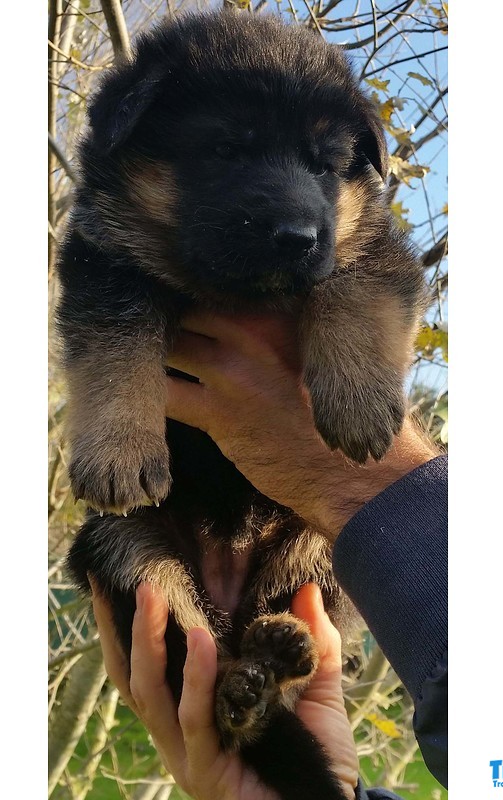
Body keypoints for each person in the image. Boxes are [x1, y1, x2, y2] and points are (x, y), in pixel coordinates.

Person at [90, 311, 448, 800]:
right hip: (164, 514)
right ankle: (247, 698)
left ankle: (252, 695)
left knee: (315, 577)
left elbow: (382, 277)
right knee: (115, 551)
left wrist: (364, 475)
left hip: (292, 523)